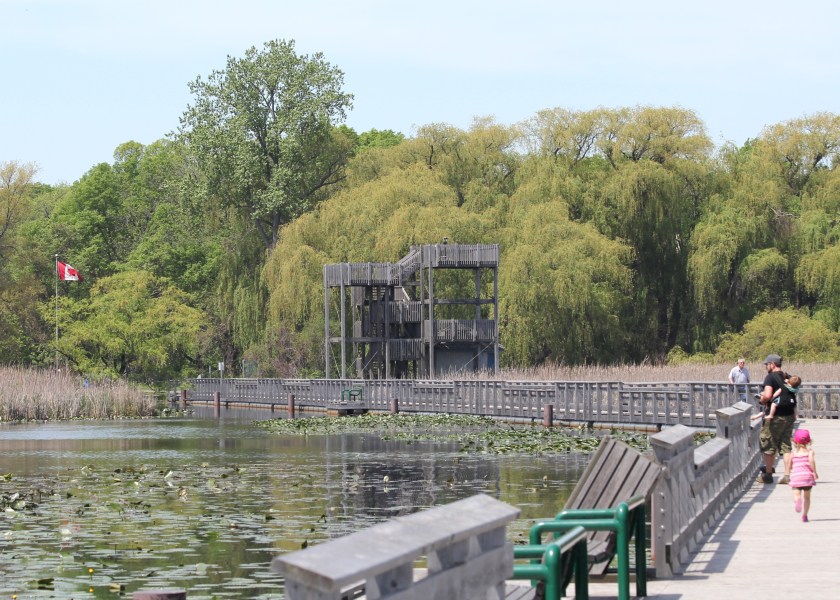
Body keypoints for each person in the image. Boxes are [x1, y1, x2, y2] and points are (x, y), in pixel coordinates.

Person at [757, 354, 796, 484]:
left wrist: (762, 400)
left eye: (767, 365)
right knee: (786, 445)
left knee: (768, 443)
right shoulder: (787, 377)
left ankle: (768, 474)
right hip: (789, 415)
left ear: (772, 364)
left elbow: (767, 396)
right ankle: (787, 475)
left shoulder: (770, 377)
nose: (766, 367)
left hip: (775, 416)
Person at [789, 429, 818, 522]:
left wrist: (789, 472)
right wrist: (814, 472)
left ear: (795, 441)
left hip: (797, 477)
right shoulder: (810, 452)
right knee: (807, 498)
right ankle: (804, 516)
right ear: (809, 441)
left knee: (796, 494)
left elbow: (789, 465)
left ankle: (797, 500)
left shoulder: (793, 454)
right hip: (807, 477)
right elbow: (811, 461)